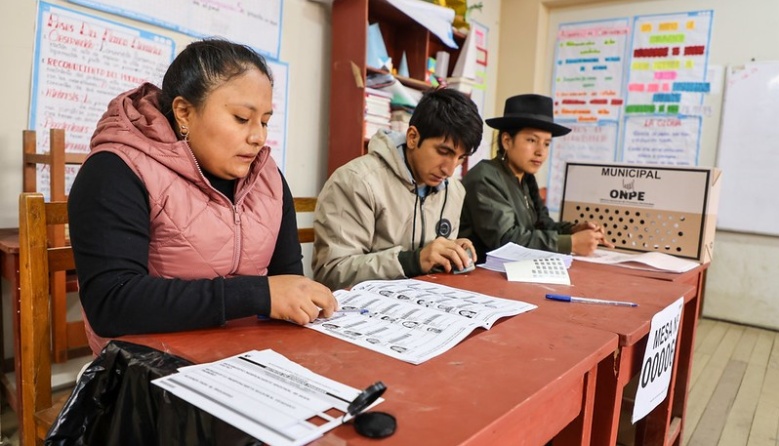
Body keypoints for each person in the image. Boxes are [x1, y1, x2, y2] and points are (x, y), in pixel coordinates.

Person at [69, 39, 337, 355]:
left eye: (264, 121)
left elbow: (287, 280)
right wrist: (257, 294)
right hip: (149, 369)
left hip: (251, 354)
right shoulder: (115, 170)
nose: (258, 137)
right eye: (241, 118)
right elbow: (112, 303)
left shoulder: (269, 178)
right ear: (184, 112)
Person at [312, 88, 483, 290]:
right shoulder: (356, 181)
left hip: (422, 306)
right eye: (443, 151)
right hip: (362, 311)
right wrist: (413, 261)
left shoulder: (453, 190)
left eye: (461, 158)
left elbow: (435, 266)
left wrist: (452, 255)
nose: (449, 169)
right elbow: (331, 273)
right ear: (412, 137)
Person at [460, 94, 612, 262]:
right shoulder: (485, 178)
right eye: (532, 140)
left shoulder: (526, 178)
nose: (540, 151)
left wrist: (574, 230)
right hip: (483, 274)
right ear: (507, 141)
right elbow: (506, 240)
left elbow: (543, 225)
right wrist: (571, 243)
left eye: (546, 144)